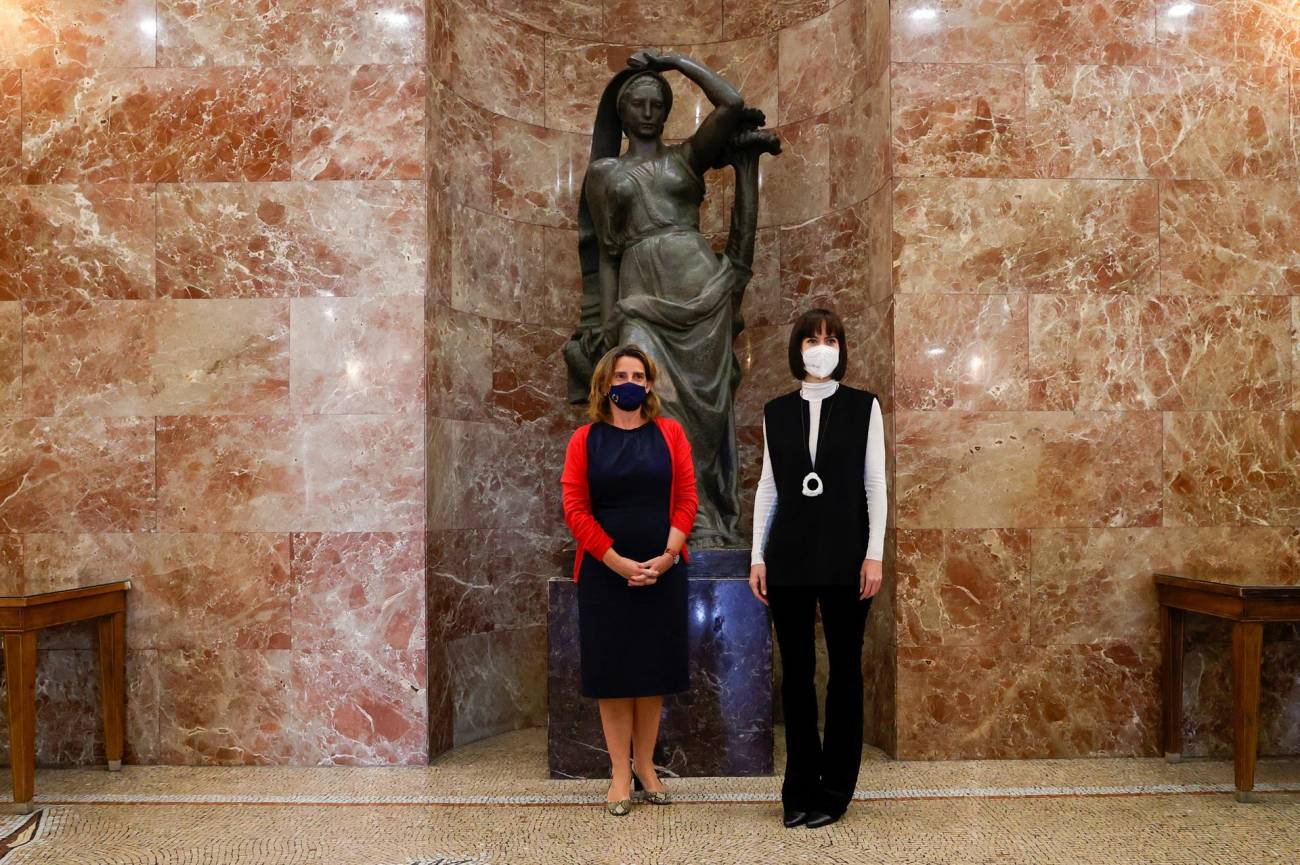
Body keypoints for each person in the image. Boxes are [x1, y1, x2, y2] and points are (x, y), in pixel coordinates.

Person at [564, 49, 779, 546]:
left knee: (707, 410)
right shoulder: (605, 174)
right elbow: (608, 253)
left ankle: (705, 519)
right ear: (621, 112)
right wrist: (612, 317)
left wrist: (676, 63)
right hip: (641, 290)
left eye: (656, 103)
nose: (646, 111)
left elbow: (730, 104)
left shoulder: (687, 157)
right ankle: (670, 517)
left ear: (666, 110)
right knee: (660, 403)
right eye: (636, 103)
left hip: (701, 285)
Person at [748, 308, 887, 829]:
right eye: (811, 338)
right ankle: (799, 789)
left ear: (842, 347)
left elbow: (876, 485)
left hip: (848, 557)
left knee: (845, 673)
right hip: (789, 556)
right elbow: (768, 488)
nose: (822, 346)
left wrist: (874, 553)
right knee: (798, 677)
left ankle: (835, 791)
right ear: (798, 348)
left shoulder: (863, 407)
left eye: (831, 338)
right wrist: (757, 556)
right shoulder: (775, 411)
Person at [560, 345, 698, 816]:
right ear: (604, 384)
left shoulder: (670, 433)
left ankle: (647, 767)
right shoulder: (584, 440)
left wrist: (667, 555)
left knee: (650, 675)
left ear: (650, 384)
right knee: (615, 676)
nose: (630, 382)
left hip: (663, 571)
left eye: (638, 375)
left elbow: (686, 499)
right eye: (621, 374)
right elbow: (575, 509)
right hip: (605, 573)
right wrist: (615, 560)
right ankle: (620, 772)